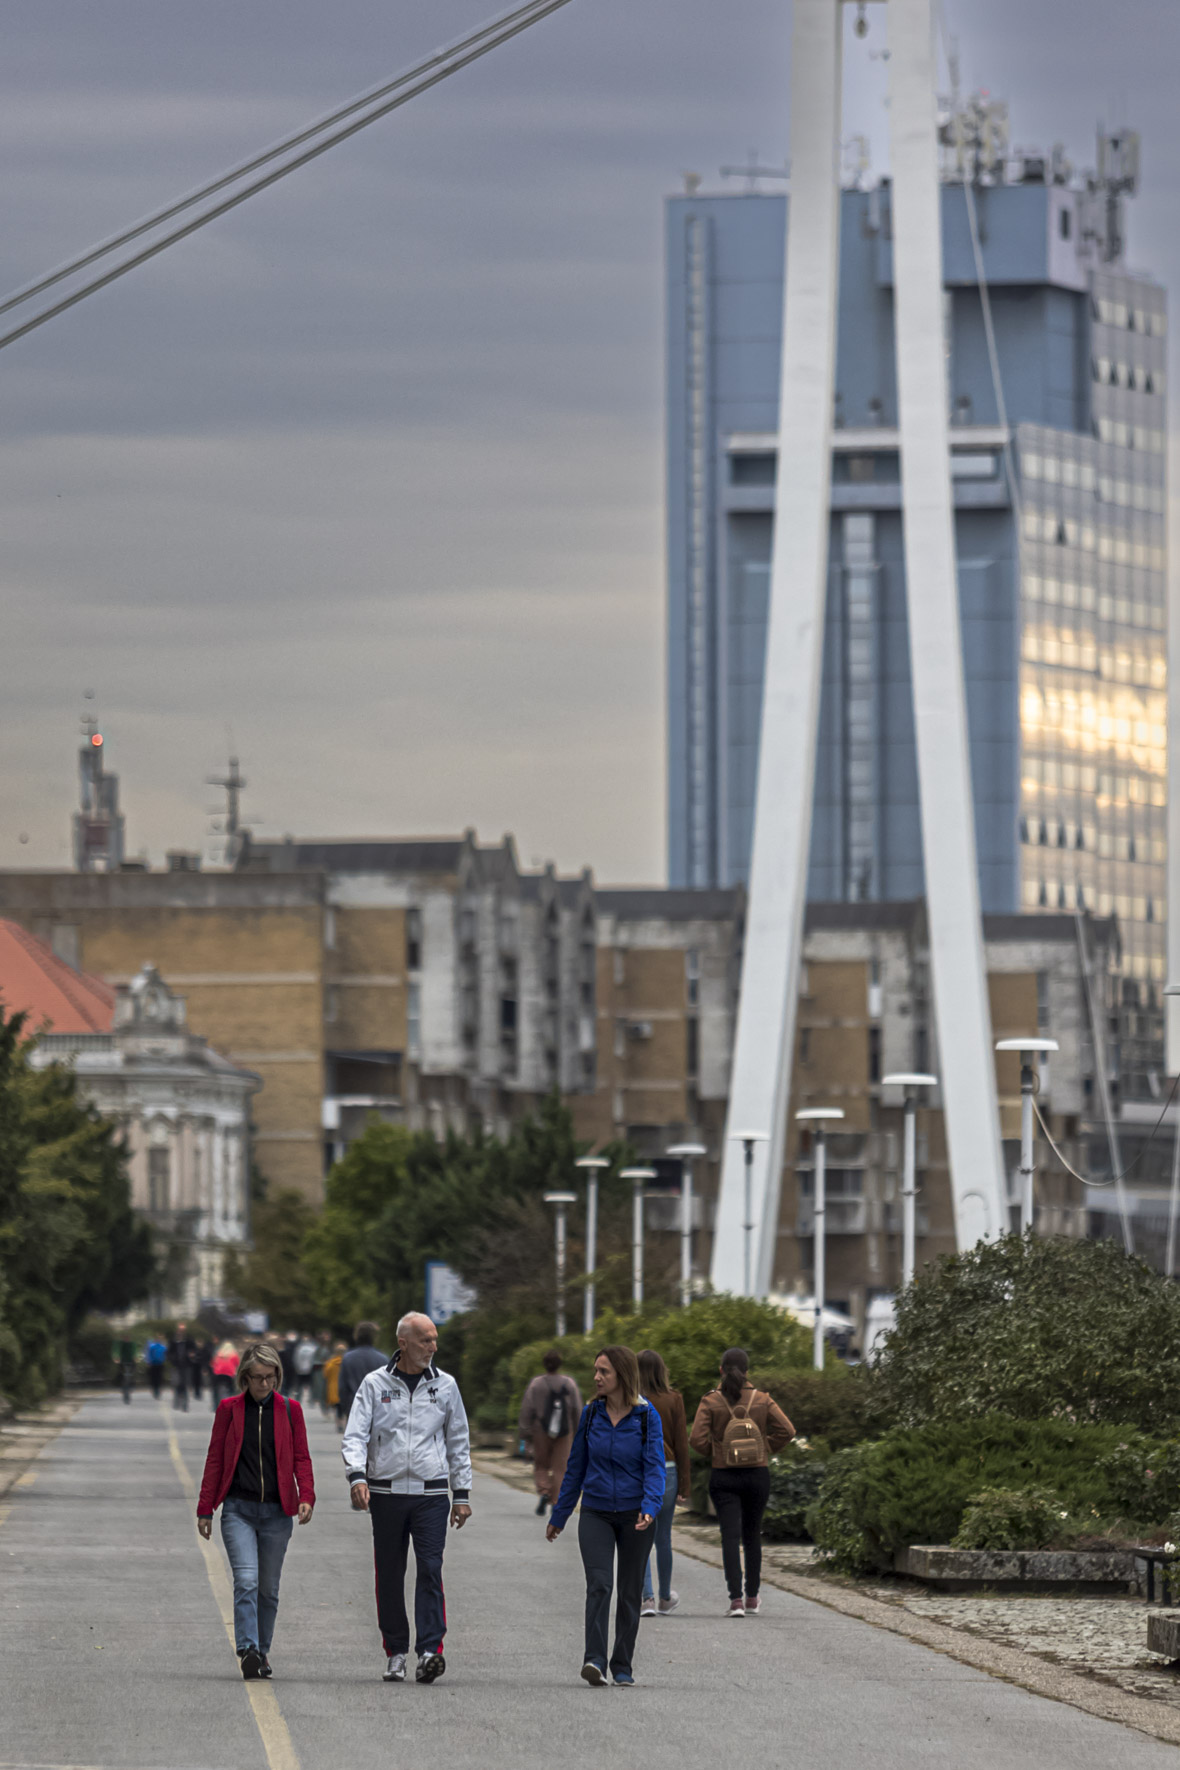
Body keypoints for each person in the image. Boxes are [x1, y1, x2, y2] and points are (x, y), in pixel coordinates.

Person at [342, 1311, 472, 1687]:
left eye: (434, 1340)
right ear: (403, 1343)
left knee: (430, 1568)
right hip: (386, 1494)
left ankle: (430, 1650)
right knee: (390, 1572)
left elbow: (458, 1440)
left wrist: (461, 1493)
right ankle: (396, 1651)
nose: (433, 1347)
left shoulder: (445, 1385)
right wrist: (357, 1476)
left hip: (431, 1494)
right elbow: (355, 1434)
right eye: (425, 1340)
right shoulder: (374, 1384)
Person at [546, 1344, 666, 1688]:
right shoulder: (591, 1414)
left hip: (636, 1515)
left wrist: (650, 1506)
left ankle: (622, 1663)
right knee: (599, 1584)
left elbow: (655, 1467)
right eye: (596, 1370)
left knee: (630, 1591)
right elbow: (576, 1467)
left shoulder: (647, 1416)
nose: (596, 1377)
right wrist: (561, 1514)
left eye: (604, 1372)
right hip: (596, 1511)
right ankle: (594, 1660)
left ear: (622, 1376)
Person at [196, 1342, 315, 1680]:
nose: (265, 1385)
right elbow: (216, 1459)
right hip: (239, 1510)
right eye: (258, 1378)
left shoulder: (290, 1411)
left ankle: (262, 1652)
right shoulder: (229, 1410)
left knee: (268, 1589)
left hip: (278, 1513)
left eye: (271, 1377)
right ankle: (247, 1648)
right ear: (244, 1377)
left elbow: (302, 1458)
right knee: (246, 1580)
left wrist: (306, 1495)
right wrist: (205, 1509)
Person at [689, 1346, 794, 1617]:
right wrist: (764, 1447)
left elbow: (696, 1440)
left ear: (721, 1370)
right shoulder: (762, 1399)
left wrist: (719, 1451)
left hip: (723, 1475)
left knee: (729, 1537)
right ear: (748, 1372)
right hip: (757, 1474)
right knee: (752, 1536)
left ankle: (735, 1600)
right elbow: (788, 1430)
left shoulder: (710, 1401)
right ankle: (752, 1597)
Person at [636, 1349, 691, 1617]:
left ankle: (646, 1599)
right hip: (668, 1471)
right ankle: (665, 1596)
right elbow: (682, 1443)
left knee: (642, 1534)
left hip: (637, 1473)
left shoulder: (631, 1400)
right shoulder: (674, 1399)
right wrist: (685, 1484)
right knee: (664, 1536)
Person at [518, 1350, 582, 1517]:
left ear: (544, 1364)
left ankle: (544, 1491)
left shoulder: (536, 1384)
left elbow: (527, 1409)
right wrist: (578, 1432)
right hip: (565, 1431)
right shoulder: (569, 1384)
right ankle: (555, 1501)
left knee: (541, 1465)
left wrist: (525, 1432)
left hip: (540, 1430)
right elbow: (577, 1409)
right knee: (561, 1468)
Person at [337, 1321, 387, 1421]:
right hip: (377, 1409)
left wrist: (345, 1407)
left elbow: (342, 1387)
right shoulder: (383, 1359)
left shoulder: (348, 1358)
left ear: (356, 1336)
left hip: (354, 1406)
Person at [169, 1323, 194, 1412]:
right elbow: (169, 1353)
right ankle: (177, 1401)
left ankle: (185, 1404)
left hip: (186, 1366)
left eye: (183, 1330)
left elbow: (193, 1351)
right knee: (177, 1384)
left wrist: (191, 1355)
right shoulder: (173, 1342)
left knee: (185, 1384)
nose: (181, 1332)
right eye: (180, 1330)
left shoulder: (189, 1341)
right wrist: (173, 1360)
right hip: (176, 1366)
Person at [210, 1340, 240, 1409]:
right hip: (229, 1374)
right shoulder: (234, 1355)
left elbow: (213, 1363)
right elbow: (237, 1364)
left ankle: (216, 1405)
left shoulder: (218, 1354)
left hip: (218, 1374)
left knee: (215, 1389)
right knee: (231, 1389)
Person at [323, 1341, 347, 1425]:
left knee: (337, 1408)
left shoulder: (330, 1363)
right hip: (346, 1388)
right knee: (346, 1408)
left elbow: (325, 1374)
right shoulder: (348, 1362)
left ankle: (339, 1423)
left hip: (334, 1388)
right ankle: (345, 1422)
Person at [291, 1335, 317, 1402]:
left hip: (301, 1369)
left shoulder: (299, 1348)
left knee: (300, 1385)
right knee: (311, 1385)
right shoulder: (313, 1348)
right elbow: (314, 1359)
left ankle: (298, 1399)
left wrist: (297, 1367)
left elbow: (296, 1358)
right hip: (310, 1369)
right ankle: (311, 1400)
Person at [114, 1335, 137, 1404]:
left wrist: (135, 1358)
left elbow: (135, 1352)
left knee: (131, 1374)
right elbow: (117, 1351)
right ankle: (122, 1386)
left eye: (127, 1338)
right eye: (125, 1338)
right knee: (121, 1374)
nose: (126, 1339)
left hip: (130, 1362)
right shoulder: (121, 1344)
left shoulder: (132, 1344)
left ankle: (131, 1386)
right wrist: (117, 1358)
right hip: (123, 1362)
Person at [144, 1334, 168, 1400]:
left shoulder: (153, 1346)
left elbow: (149, 1355)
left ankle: (156, 1390)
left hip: (155, 1364)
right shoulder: (162, 1347)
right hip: (158, 1364)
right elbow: (165, 1355)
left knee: (155, 1378)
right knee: (158, 1378)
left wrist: (148, 1362)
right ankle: (156, 1390)